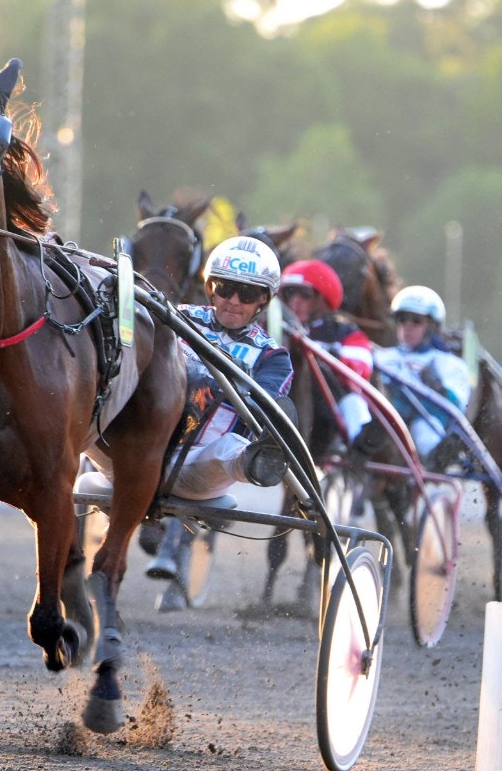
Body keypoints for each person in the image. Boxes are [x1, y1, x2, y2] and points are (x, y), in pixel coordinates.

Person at [144, 236, 295, 600]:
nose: (233, 301)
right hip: (144, 449)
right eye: (225, 288)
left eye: (246, 294)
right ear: (211, 287)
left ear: (264, 300)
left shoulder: (272, 357)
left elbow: (266, 408)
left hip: (202, 466)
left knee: (232, 444)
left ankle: (257, 463)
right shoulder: (176, 318)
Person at [279, 259, 375, 454]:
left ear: (321, 300)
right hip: (285, 399)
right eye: (290, 293)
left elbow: (362, 364)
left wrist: (334, 355)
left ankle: (362, 443)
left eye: (305, 294)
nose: (295, 301)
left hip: (326, 415)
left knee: (353, 400)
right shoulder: (274, 328)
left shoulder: (341, 332)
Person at [374, 285, 470, 466]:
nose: (407, 327)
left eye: (416, 321)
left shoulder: (449, 363)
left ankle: (436, 467)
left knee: (423, 432)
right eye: (402, 319)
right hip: (386, 422)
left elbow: (458, 406)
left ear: (432, 326)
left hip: (425, 422)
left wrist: (436, 385)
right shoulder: (382, 357)